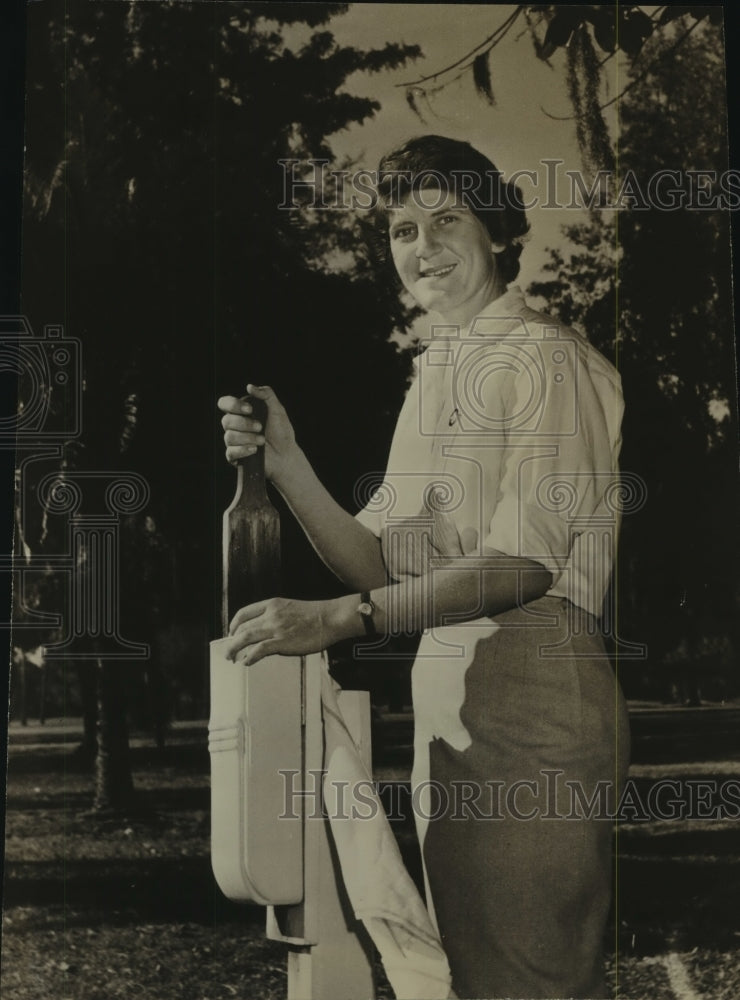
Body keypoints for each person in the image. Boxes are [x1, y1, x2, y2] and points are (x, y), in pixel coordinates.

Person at [218, 135, 630, 999]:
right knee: (473, 981)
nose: (422, 246)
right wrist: (288, 464)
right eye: (403, 228)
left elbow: (522, 564)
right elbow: (377, 561)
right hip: (448, 703)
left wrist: (340, 620)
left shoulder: (545, 357)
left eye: (447, 220)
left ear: (499, 234)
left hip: (536, 692)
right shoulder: (439, 372)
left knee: (529, 981)